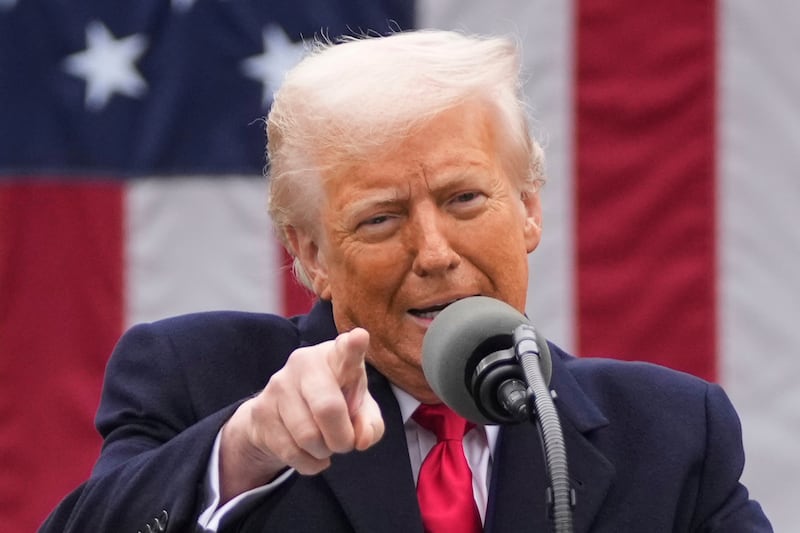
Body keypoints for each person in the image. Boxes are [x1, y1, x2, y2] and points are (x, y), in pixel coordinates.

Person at [40, 30, 772, 533]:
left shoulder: (673, 432)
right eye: (381, 218)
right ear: (312, 255)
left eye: (465, 199)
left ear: (528, 209)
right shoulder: (199, 379)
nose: (434, 253)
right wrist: (246, 449)